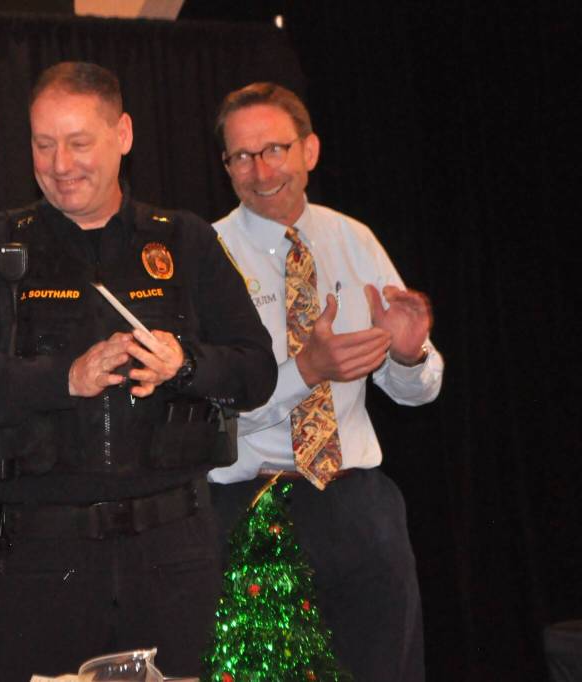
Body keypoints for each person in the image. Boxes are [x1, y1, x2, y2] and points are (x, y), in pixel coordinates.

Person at [0, 62, 277, 681]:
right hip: (42, 558)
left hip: (173, 552)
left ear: (123, 135)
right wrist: (63, 379)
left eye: (78, 142)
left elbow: (256, 370)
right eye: (43, 144)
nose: (60, 164)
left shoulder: (184, 241)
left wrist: (186, 364)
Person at [207, 82, 444, 681]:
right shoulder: (208, 255)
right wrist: (307, 371)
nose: (261, 171)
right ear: (226, 167)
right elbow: (211, 414)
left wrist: (408, 354)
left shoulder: (353, 239)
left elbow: (417, 390)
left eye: (275, 150)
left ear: (309, 150)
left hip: (357, 501)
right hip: (253, 507)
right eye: (242, 156)